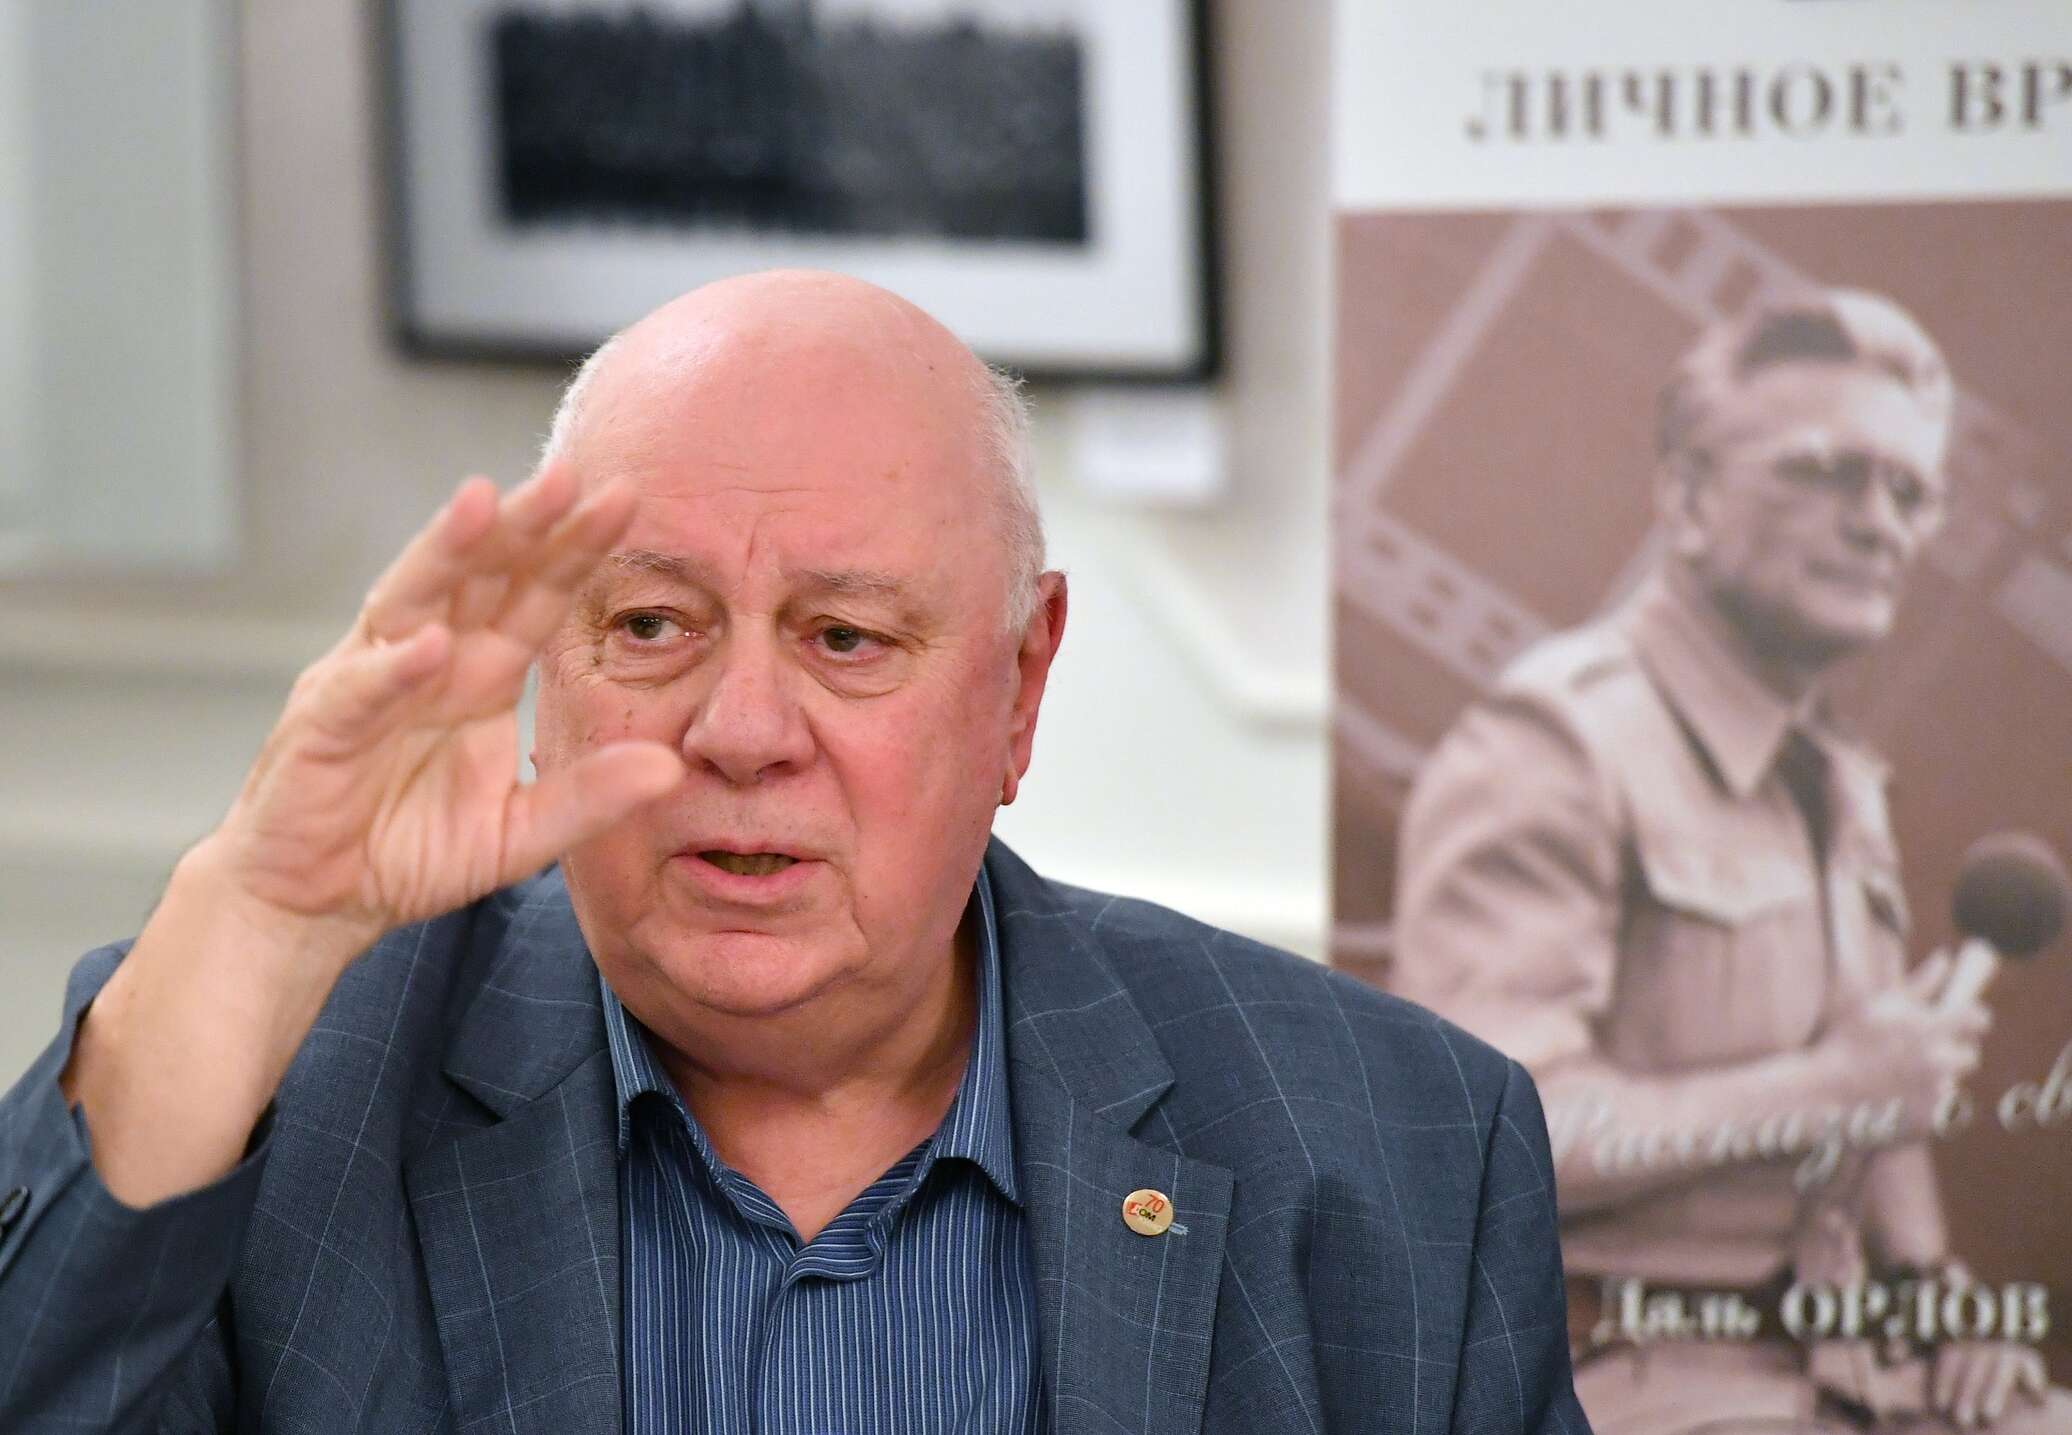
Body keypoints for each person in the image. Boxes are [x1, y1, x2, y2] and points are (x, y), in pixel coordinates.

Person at [0, 271, 1584, 1434]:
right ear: (547, 664)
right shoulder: (280, 1098)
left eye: (844, 637)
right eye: (650, 623)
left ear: (1020, 685)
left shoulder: (1391, 1154)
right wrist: (264, 911)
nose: (741, 729)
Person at [1391, 288, 2068, 1433]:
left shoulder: (1836, 778)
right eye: (1826, 472)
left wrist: (1941, 1301)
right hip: (1616, 1374)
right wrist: (1828, 1087)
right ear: (1687, 497)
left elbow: (1883, 1093)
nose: (1878, 524)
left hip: (1838, 1366)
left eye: (1908, 491)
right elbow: (1481, 1137)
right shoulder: (1555, 742)